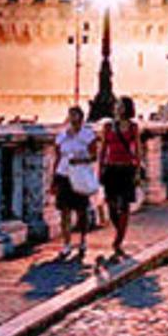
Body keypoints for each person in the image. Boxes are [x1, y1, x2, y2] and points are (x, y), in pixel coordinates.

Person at [98, 96, 141, 263]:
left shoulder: (133, 127)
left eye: (121, 106)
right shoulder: (108, 126)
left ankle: (118, 240)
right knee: (111, 204)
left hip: (126, 168)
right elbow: (103, 149)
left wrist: (137, 170)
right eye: (117, 105)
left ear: (127, 108)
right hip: (111, 167)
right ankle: (119, 231)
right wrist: (100, 169)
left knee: (124, 205)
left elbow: (137, 150)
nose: (118, 108)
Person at [53, 105, 97, 261]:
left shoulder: (88, 135)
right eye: (70, 115)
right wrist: (54, 178)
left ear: (81, 117)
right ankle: (66, 244)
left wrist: (80, 160)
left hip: (79, 175)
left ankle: (83, 240)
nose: (72, 118)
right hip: (63, 174)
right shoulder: (62, 136)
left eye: (75, 115)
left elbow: (94, 156)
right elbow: (57, 156)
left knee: (81, 210)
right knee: (64, 211)